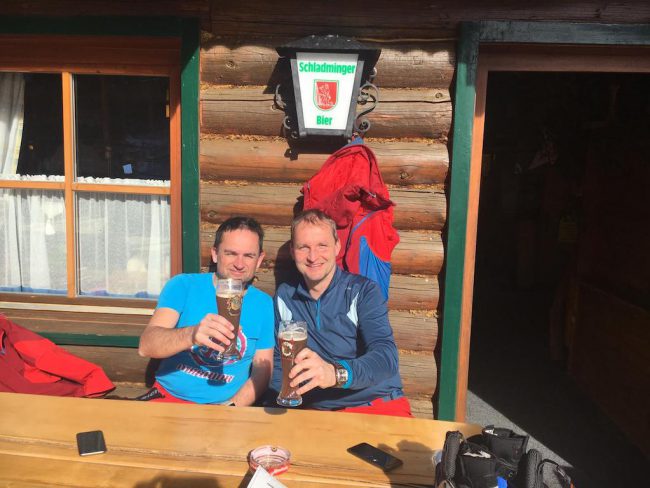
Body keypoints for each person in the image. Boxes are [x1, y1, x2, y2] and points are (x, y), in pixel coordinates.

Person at [269, 209, 412, 417]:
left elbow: (386, 357)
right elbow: (276, 362)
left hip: (373, 403)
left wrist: (335, 373)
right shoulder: (285, 296)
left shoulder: (363, 291)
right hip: (316, 412)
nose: (313, 256)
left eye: (322, 245)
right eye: (303, 247)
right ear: (292, 251)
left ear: (337, 246)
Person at [138, 217, 274, 405]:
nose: (239, 264)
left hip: (226, 406)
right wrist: (192, 334)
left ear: (259, 260)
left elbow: (263, 370)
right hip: (169, 398)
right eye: (231, 253)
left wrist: (232, 407)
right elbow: (147, 346)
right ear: (215, 254)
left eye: (249, 256)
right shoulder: (184, 285)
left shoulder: (264, 303)